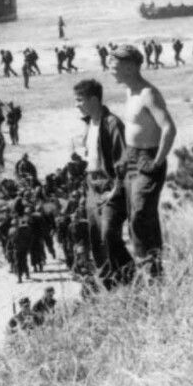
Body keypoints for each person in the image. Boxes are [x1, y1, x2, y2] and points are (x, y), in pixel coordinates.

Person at [110, 43, 176, 279]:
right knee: (135, 214)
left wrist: (157, 161)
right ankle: (146, 267)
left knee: (140, 213)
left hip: (148, 158)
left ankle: (153, 269)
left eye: (115, 66)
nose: (111, 70)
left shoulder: (148, 93)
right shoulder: (130, 91)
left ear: (129, 67)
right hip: (131, 157)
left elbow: (169, 128)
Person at [75, 77, 133, 288]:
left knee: (109, 233)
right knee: (96, 237)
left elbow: (124, 161)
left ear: (93, 100)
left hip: (109, 186)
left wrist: (115, 190)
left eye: (80, 100)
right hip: (92, 186)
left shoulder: (112, 123)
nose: (77, 104)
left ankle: (130, 274)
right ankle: (109, 284)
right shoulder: (88, 123)